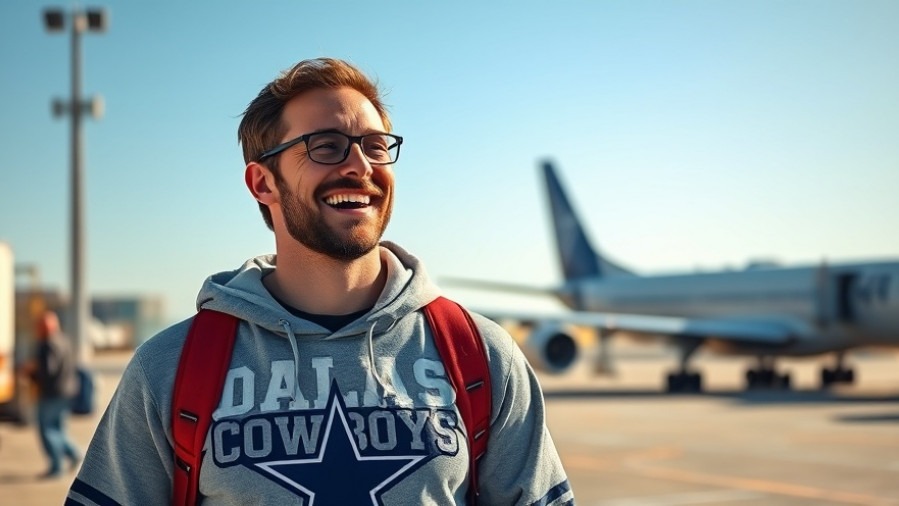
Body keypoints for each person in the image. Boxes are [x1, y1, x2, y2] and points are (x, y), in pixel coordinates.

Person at [68, 57, 574, 505]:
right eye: (325, 146)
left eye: (376, 146)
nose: (360, 166)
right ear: (262, 182)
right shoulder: (172, 367)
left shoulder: (480, 355)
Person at [25, 310, 81, 478]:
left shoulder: (47, 344)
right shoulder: (63, 339)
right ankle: (73, 454)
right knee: (58, 429)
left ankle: (57, 467)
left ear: (44, 327)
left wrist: (31, 371)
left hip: (51, 393)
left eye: (39, 326)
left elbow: (48, 370)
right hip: (66, 391)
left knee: (48, 430)